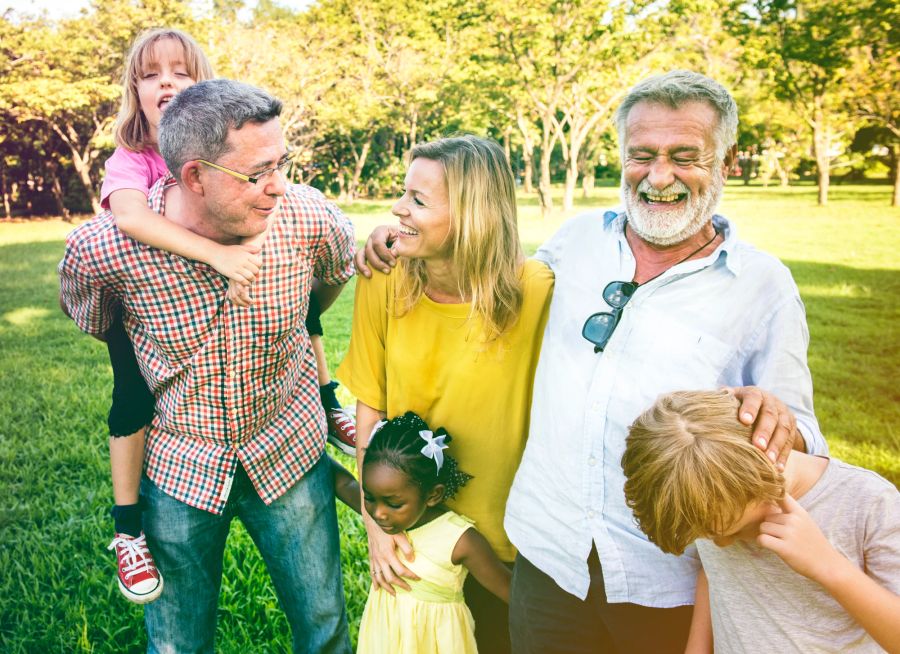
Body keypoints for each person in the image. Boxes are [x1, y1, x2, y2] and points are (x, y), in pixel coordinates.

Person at [59, 78, 355, 653]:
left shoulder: (307, 218)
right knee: (176, 644)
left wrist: (291, 318)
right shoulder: (105, 253)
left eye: (282, 163)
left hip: (288, 448)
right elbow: (97, 322)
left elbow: (336, 272)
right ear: (194, 175)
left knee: (325, 631)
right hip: (179, 467)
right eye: (257, 173)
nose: (278, 187)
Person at [337, 135, 554, 653]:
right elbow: (370, 406)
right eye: (403, 193)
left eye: (418, 199)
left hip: (505, 540)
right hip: (416, 533)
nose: (397, 209)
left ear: (472, 215)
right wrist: (376, 523)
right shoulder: (383, 280)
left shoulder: (537, 291)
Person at [621, 390, 900, 653]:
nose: (722, 544)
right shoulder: (713, 505)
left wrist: (827, 565)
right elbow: (714, 574)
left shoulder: (869, 503)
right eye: (708, 537)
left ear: (766, 474)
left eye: (738, 531)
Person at [331, 412, 512, 653]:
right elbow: (343, 484)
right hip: (385, 642)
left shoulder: (459, 540)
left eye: (394, 504)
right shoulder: (382, 519)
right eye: (370, 498)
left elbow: (510, 591)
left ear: (433, 495)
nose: (379, 513)